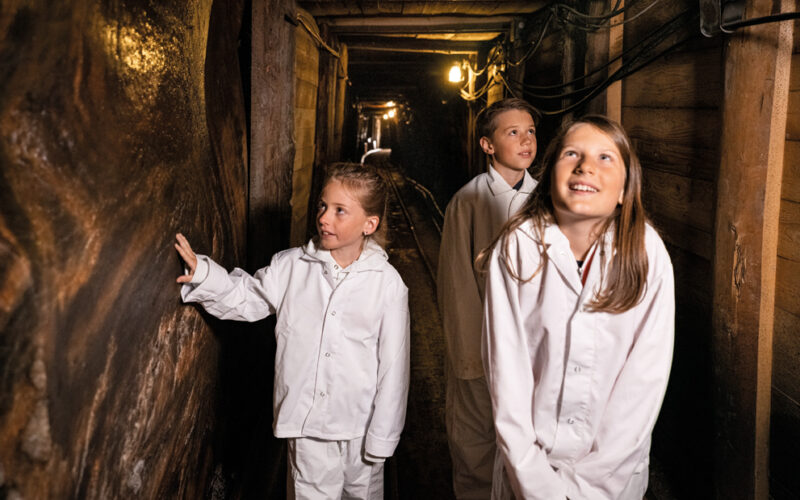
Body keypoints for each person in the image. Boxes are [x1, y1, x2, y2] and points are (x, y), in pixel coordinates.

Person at [174, 163, 410, 499]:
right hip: (307, 425)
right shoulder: (291, 266)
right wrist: (204, 275)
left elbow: (394, 367)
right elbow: (246, 298)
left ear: (369, 224)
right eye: (322, 206)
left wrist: (384, 436)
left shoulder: (387, 284)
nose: (324, 218)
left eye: (340, 211)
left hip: (361, 427)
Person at [480, 115, 674, 500]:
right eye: (572, 154)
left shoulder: (646, 252)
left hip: (612, 478)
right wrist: (536, 484)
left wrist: (588, 488)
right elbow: (506, 373)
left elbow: (643, 384)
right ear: (550, 174)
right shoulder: (517, 246)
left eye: (606, 158)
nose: (586, 165)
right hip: (528, 470)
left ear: (624, 189)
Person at [437, 97, 540, 499]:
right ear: (487, 145)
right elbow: (456, 284)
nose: (525, 140)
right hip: (482, 346)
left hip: (534, 350)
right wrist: (468, 358)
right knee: (477, 446)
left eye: (530, 130)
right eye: (512, 132)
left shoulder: (548, 199)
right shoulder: (468, 201)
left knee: (529, 450)